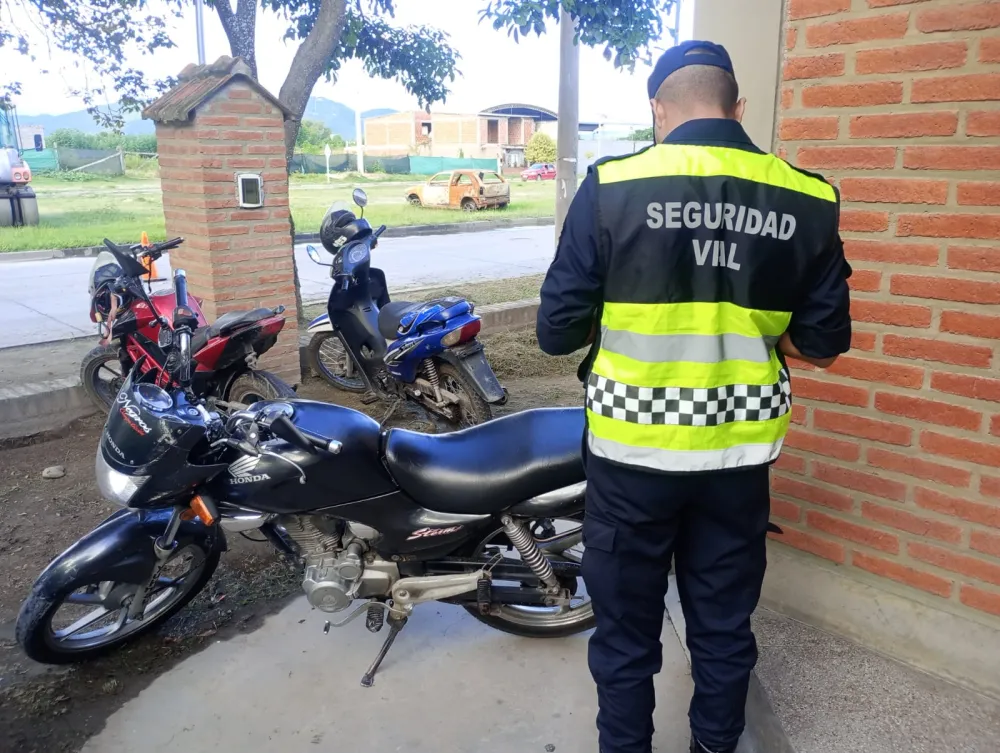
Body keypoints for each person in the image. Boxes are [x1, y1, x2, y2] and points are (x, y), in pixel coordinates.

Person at [536, 40, 852, 753]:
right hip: (737, 461)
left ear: (658, 110)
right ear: (738, 108)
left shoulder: (613, 185)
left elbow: (555, 333)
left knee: (624, 633)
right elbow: (825, 342)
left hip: (630, 456)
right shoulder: (807, 196)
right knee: (723, 625)